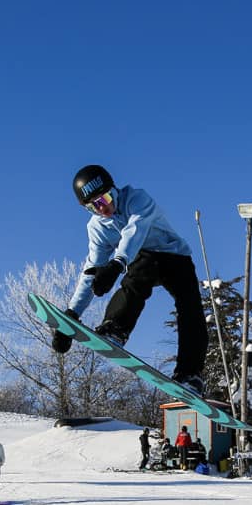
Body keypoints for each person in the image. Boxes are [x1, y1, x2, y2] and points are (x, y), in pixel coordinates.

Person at [49, 165, 209, 396]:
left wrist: (116, 264)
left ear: (114, 189)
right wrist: (72, 315)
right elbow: (91, 270)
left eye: (104, 198)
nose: (103, 208)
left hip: (175, 257)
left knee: (190, 309)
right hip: (140, 262)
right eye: (93, 206)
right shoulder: (97, 228)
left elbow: (134, 232)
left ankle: (189, 374)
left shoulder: (137, 199)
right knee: (137, 277)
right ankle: (115, 328)